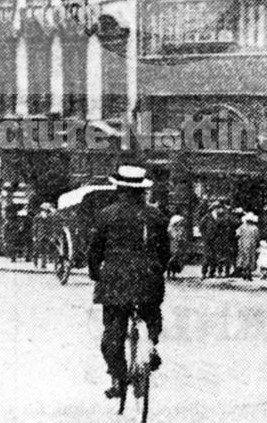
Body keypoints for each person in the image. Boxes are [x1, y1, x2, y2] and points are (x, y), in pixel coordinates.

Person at [88, 165, 170, 400]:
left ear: (119, 188)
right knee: (152, 313)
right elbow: (165, 252)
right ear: (142, 190)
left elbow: (95, 250)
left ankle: (118, 379)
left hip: (115, 281)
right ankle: (151, 344)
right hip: (148, 279)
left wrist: (95, 273)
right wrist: (159, 269)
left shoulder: (107, 214)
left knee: (113, 333)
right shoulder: (155, 216)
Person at [199, 203, 222, 279]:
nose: (219, 210)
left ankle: (212, 272)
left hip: (216, 239)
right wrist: (204, 235)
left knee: (214, 256)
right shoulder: (207, 217)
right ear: (214, 209)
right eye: (218, 208)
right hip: (208, 239)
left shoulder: (219, 217)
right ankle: (204, 273)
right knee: (206, 256)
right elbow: (201, 226)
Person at [235, 212, 260, 280]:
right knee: (250, 258)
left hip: (243, 244)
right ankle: (248, 273)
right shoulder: (255, 228)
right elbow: (257, 237)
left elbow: (237, 235)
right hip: (251, 244)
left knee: (244, 257)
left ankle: (244, 272)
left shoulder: (242, 227)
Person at [167, 214, 186, 278]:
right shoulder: (171, 229)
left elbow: (182, 236)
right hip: (173, 244)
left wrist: (182, 238)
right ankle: (168, 271)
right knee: (173, 257)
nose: (180, 223)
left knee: (177, 259)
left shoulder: (181, 228)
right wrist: (178, 236)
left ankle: (173, 273)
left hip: (179, 245)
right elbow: (173, 236)